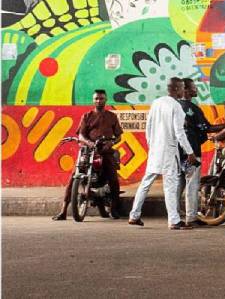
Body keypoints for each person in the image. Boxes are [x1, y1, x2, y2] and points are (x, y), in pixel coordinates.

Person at [129, 78, 196, 230]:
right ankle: (174, 220)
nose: (183, 91)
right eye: (182, 88)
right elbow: (179, 132)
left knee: (145, 183)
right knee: (170, 186)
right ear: (177, 88)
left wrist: (151, 146)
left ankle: (134, 215)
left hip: (155, 150)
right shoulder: (176, 106)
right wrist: (190, 152)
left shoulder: (156, 103)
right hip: (169, 152)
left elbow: (148, 127)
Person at [52, 90, 123, 220]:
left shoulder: (112, 116)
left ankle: (114, 208)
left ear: (105, 100)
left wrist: (111, 143)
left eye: (101, 98)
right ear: (93, 100)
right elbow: (80, 135)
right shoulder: (87, 116)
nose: (98, 101)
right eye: (96, 98)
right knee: (73, 177)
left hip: (105, 151)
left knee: (113, 178)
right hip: (87, 150)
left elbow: (119, 136)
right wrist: (89, 143)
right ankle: (63, 210)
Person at [178, 78, 212, 227]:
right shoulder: (193, 108)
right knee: (192, 183)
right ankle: (191, 217)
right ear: (185, 90)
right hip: (191, 152)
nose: (196, 89)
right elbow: (206, 128)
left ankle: (174, 216)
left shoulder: (174, 106)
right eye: (193, 87)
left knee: (178, 184)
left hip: (176, 153)